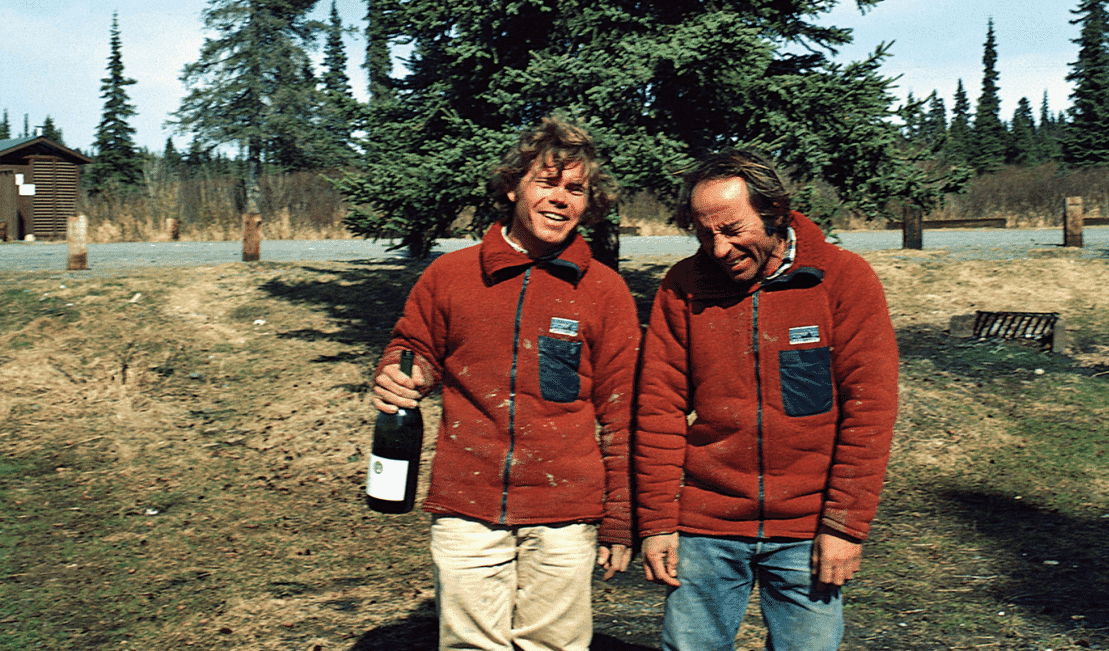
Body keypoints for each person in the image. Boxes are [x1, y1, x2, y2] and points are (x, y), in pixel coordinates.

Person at [371, 116, 639, 651]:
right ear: (514, 186)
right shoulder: (450, 275)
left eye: (576, 189)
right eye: (547, 182)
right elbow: (412, 345)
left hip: (565, 513)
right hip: (466, 506)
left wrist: (619, 518)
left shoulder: (605, 292)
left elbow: (623, 413)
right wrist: (402, 373)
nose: (560, 198)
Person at [635, 148, 899, 651]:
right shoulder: (682, 288)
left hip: (809, 528)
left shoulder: (842, 280)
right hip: (705, 526)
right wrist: (657, 523)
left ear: (774, 211)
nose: (719, 248)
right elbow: (657, 411)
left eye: (733, 229)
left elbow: (870, 412)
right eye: (704, 234)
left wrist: (844, 526)